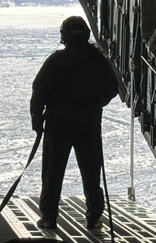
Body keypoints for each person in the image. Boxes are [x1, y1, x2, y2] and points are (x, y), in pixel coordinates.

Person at [29, 15, 118, 230]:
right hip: (88, 123)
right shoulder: (98, 59)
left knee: (53, 171)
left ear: (64, 36)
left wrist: (37, 120)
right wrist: (96, 104)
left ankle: (49, 217)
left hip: (58, 123)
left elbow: (38, 91)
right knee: (91, 172)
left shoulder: (56, 60)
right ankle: (94, 217)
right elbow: (112, 88)